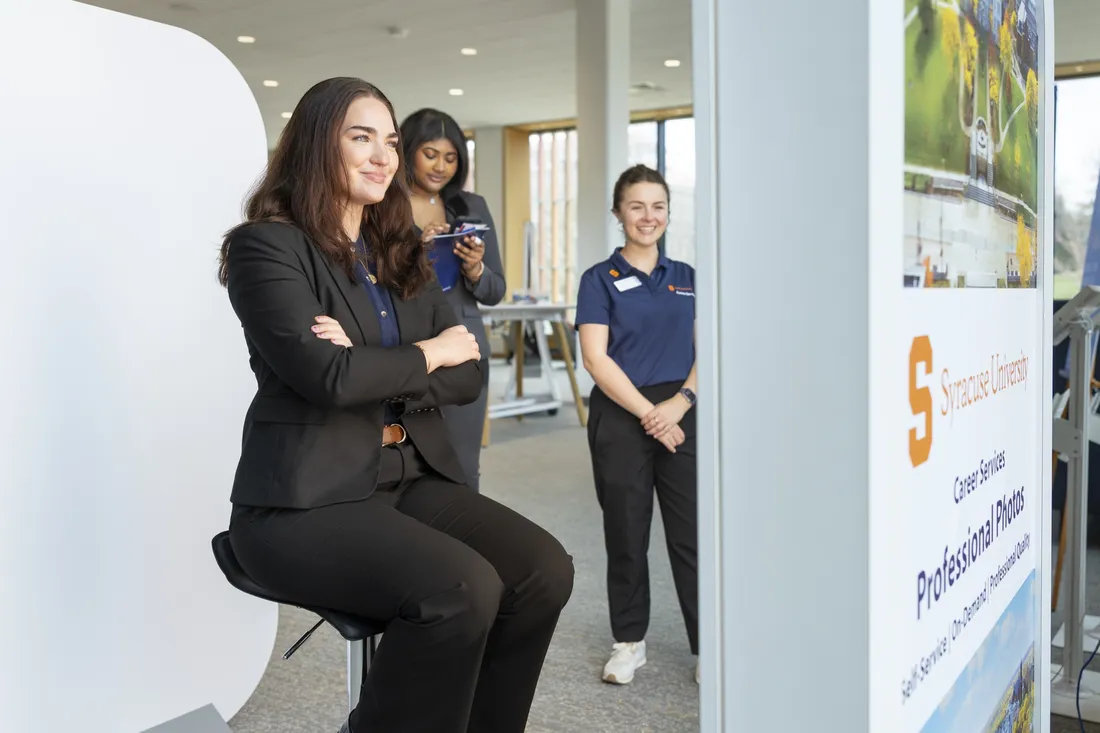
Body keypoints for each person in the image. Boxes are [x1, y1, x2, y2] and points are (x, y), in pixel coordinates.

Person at [219, 77, 573, 733]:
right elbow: (326, 377)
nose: (384, 155)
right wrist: (426, 352)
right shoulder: (266, 247)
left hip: (406, 476)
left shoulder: (400, 251)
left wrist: (368, 359)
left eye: (390, 140)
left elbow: (466, 374)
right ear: (316, 145)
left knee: (543, 569)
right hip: (305, 502)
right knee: (462, 588)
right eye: (362, 137)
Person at [575, 164, 698, 686]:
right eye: (636, 206)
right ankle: (629, 642)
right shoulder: (598, 279)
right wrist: (652, 414)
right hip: (621, 412)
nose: (648, 217)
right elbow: (596, 360)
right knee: (626, 532)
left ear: (668, 213)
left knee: (692, 535)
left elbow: (710, 348)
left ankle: (706, 648)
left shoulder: (689, 277)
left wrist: (681, 402)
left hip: (683, 412)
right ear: (618, 213)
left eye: (658, 206)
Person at [399, 107, 506, 491]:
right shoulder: (383, 203)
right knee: (402, 461)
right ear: (408, 150)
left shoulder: (472, 207)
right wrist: (416, 250)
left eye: (450, 157)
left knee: (463, 462)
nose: (440, 166)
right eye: (430, 154)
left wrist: (475, 269)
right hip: (402, 345)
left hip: (465, 347)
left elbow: (495, 291)